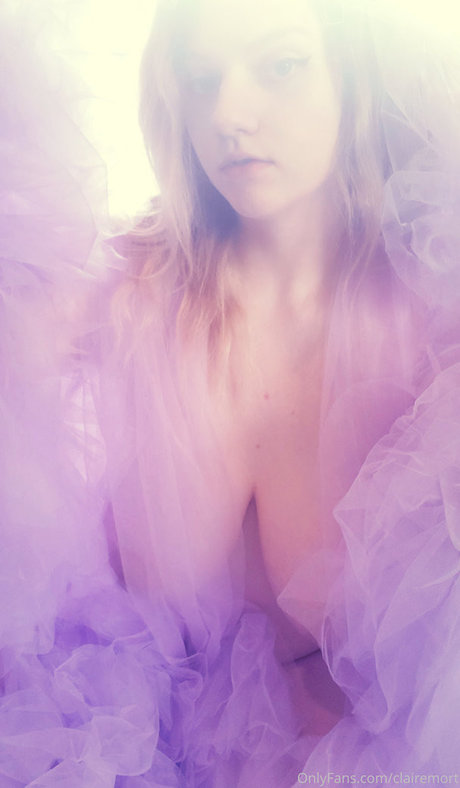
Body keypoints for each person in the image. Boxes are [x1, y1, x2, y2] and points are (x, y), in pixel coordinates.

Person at [1, 0, 460, 785]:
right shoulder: (120, 296)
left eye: (281, 65)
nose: (228, 114)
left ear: (354, 75)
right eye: (201, 78)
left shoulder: (431, 331)